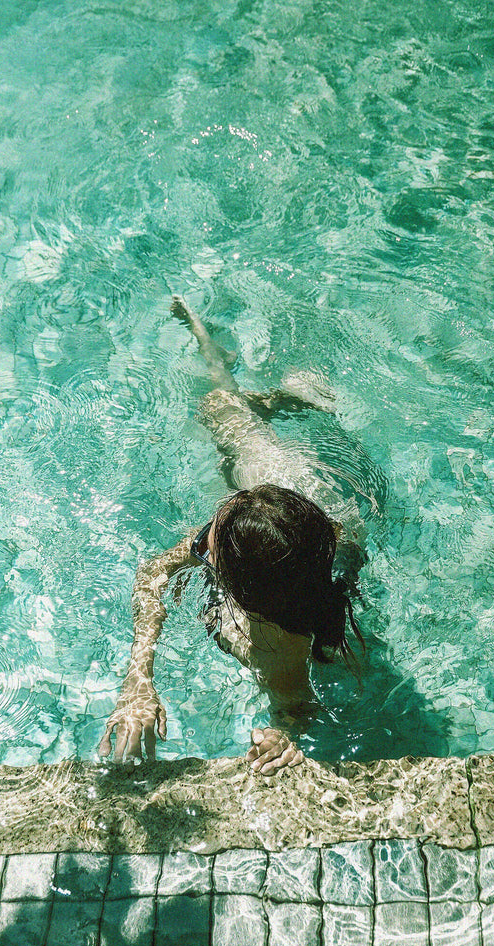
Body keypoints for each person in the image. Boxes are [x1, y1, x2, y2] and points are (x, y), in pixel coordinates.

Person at [98, 297, 371, 775]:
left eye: (214, 541)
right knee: (217, 405)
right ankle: (249, 379)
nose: (203, 540)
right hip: (304, 490)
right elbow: (154, 570)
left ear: (239, 589)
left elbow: (297, 707)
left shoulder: (276, 644)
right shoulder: (304, 542)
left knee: (223, 410)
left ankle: (269, 397)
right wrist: (138, 678)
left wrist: (283, 736)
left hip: (309, 512)